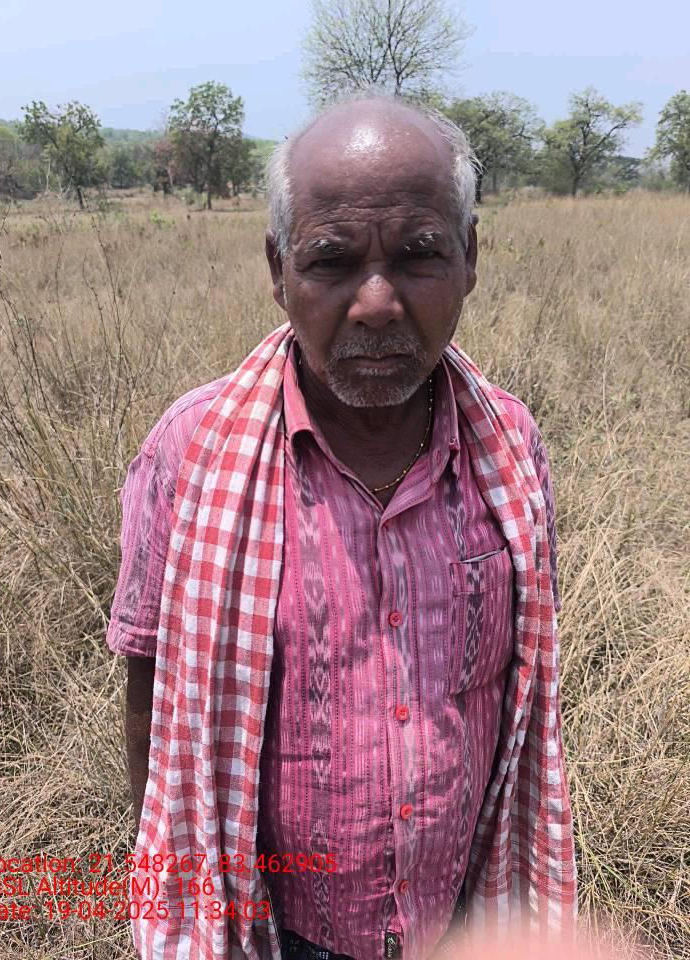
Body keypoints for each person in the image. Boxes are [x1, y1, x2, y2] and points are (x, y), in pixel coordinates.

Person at [106, 90, 577, 960]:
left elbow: (519, 692)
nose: (376, 303)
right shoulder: (191, 450)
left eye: (419, 255)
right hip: (271, 930)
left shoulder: (509, 446)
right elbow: (152, 692)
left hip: (468, 916)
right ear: (278, 267)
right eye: (331, 261)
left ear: (471, 257)